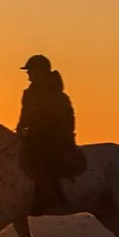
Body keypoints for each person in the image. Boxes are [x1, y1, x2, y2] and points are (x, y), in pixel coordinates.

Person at [16, 54, 84, 214]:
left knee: (42, 157)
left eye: (30, 71)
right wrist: (21, 128)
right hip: (34, 138)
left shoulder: (58, 96)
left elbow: (65, 121)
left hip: (57, 139)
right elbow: (24, 116)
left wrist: (39, 131)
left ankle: (49, 196)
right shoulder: (28, 94)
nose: (28, 75)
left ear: (40, 72)